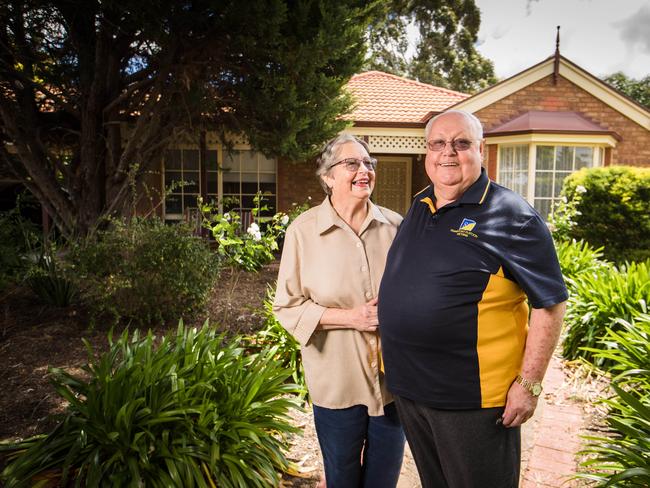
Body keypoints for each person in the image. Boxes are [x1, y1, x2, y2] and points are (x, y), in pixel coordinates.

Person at [378, 110, 568, 488]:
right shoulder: (421, 204)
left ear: (480, 149)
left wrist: (529, 385)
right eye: (437, 143)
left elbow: (550, 303)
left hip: (472, 401)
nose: (448, 152)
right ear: (426, 152)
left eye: (461, 143)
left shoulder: (513, 217)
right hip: (411, 390)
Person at [273, 134, 405, 488]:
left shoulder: (397, 227)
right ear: (328, 177)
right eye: (352, 164)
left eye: (368, 163)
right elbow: (287, 307)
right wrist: (353, 318)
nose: (364, 170)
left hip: (392, 383)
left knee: (384, 479)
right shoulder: (303, 232)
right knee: (342, 477)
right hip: (336, 381)